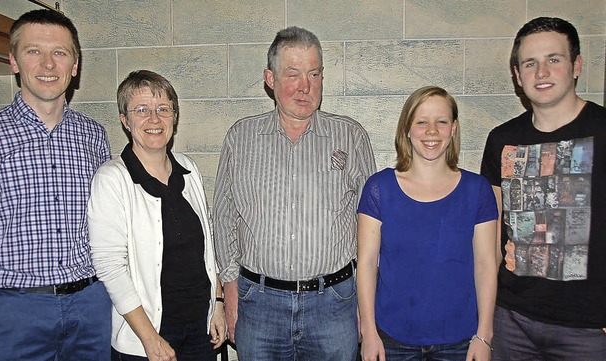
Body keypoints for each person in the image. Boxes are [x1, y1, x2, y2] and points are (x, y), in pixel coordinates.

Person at [213, 26, 376, 360]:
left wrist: (366, 302)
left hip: (335, 304)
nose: (306, 86)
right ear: (269, 79)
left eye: (314, 74)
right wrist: (230, 291)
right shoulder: (241, 138)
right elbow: (224, 218)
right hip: (258, 305)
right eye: (293, 74)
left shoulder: (350, 137)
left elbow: (371, 226)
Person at [0, 9, 112, 361]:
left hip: (92, 309)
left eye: (59, 53)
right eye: (34, 51)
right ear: (13, 61)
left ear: (74, 66)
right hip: (17, 315)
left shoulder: (94, 136)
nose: (48, 64)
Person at [480, 17, 606, 360]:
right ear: (518, 76)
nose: (541, 73)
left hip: (588, 329)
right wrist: (488, 318)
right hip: (512, 322)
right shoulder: (501, 140)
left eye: (554, 59)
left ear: (576, 65)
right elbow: (491, 236)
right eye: (530, 63)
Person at [88, 70, 226, 361]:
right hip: (148, 336)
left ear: (174, 117)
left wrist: (217, 304)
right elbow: (110, 266)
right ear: (125, 120)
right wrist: (150, 339)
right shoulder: (112, 179)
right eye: (141, 110)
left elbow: (207, 248)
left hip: (200, 331)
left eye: (163, 109)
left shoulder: (188, 170)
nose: (154, 119)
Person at [357, 86, 498, 361]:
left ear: (453, 129)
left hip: (460, 342)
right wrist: (369, 332)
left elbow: (486, 265)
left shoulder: (477, 190)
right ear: (407, 128)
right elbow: (366, 263)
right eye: (421, 122)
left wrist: (485, 335)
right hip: (392, 340)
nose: (431, 131)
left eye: (441, 122)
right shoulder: (379, 188)